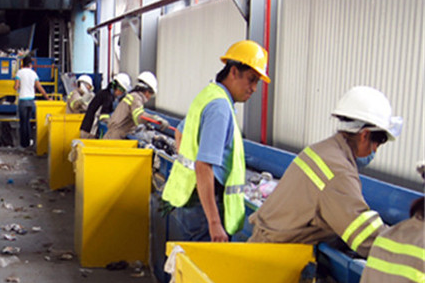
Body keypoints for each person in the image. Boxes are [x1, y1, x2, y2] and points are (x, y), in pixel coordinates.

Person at [249, 86, 403, 258]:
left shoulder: (320, 150)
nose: (375, 150)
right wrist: (409, 245)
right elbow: (365, 237)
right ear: (365, 135)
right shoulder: (338, 172)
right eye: (379, 142)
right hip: (276, 257)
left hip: (263, 242)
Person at [161, 39, 269, 242]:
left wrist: (188, 168)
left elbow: (180, 133)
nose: (254, 88)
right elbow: (203, 166)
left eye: (257, 82)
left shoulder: (208, 95)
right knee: (203, 269)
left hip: (192, 200)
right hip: (205, 208)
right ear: (234, 71)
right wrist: (214, 222)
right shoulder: (220, 108)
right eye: (251, 79)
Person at [103, 70, 158, 139]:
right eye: (151, 94)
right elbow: (139, 117)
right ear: (147, 91)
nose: (150, 97)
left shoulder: (132, 95)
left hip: (112, 135)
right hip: (116, 138)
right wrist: (155, 119)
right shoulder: (136, 98)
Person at [79, 73, 131, 139]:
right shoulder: (107, 97)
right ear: (115, 87)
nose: (122, 93)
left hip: (88, 129)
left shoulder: (107, 94)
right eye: (122, 90)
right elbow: (103, 116)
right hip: (90, 131)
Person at [14, 55, 48, 148]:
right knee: (28, 122)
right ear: (30, 64)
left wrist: (17, 86)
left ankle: (23, 144)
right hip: (31, 101)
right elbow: (39, 87)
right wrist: (47, 97)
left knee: (23, 123)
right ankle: (29, 143)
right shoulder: (33, 73)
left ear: (22, 64)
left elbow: (16, 87)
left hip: (22, 101)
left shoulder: (19, 73)